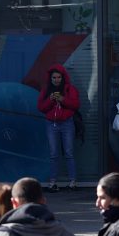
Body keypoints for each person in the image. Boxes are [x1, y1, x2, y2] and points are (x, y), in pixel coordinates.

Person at [36, 64, 80, 193]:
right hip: (51, 124)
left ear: (63, 77)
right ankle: (53, 182)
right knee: (53, 154)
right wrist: (50, 100)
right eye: (54, 77)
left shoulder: (70, 89)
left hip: (67, 123)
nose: (56, 80)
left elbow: (76, 105)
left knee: (69, 153)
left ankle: (73, 182)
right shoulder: (46, 90)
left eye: (59, 77)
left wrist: (62, 99)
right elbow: (41, 108)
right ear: (50, 78)